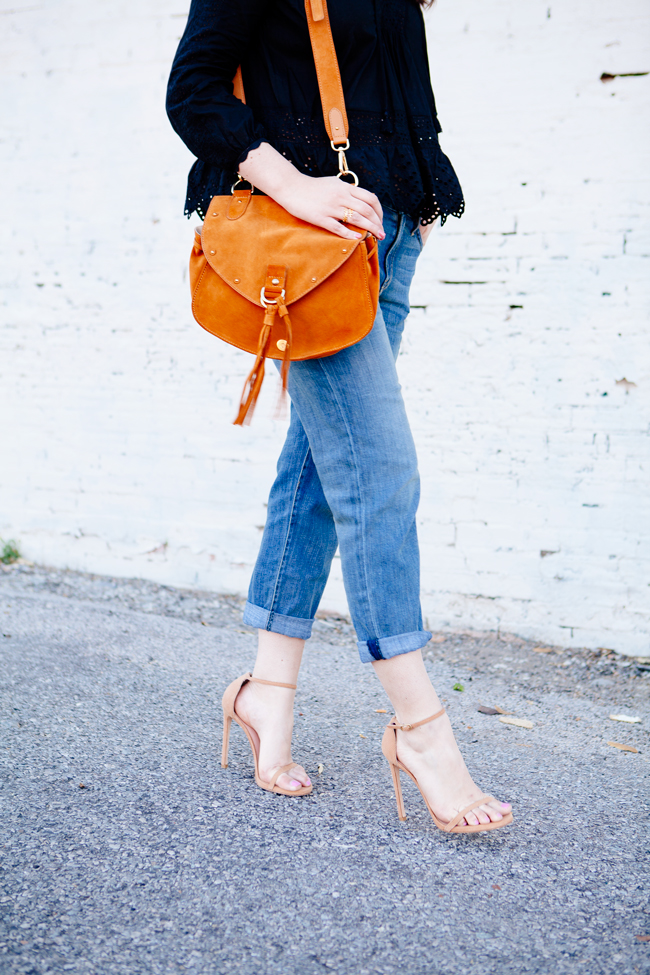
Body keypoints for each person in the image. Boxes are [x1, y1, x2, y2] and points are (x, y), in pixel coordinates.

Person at [167, 0, 513, 832]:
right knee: (379, 474)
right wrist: (297, 187)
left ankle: (265, 692)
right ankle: (421, 729)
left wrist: (415, 209)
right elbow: (194, 89)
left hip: (388, 235)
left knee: (321, 466)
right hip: (312, 243)